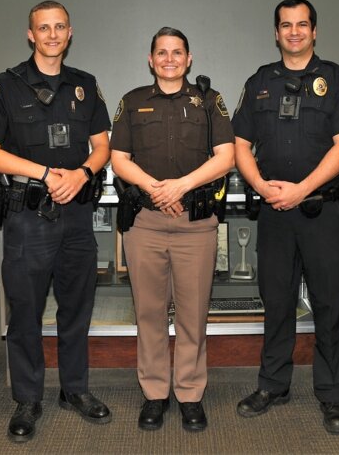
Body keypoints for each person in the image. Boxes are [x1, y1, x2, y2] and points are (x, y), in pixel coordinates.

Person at [0, 1, 112, 443]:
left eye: (59, 27)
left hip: (77, 215)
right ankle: (28, 399)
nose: (52, 34)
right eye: (43, 28)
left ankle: (75, 390)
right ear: (30, 34)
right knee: (26, 311)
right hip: (27, 216)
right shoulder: (5, 86)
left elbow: (102, 146)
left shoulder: (85, 85)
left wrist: (83, 174)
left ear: (70, 33)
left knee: (76, 308)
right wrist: (48, 175)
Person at [232, 0, 339, 434]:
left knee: (328, 304)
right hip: (274, 212)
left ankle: (332, 394)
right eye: (286, 25)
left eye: (302, 24)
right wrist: (261, 187)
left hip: (321, 210)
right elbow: (240, 146)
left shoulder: (338, 80)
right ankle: (273, 384)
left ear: (315, 31)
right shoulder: (259, 83)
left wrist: (302, 190)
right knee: (277, 302)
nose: (294, 31)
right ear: (276, 33)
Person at [110, 27, 234, 432]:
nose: (169, 59)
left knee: (193, 315)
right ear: (150, 59)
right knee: (148, 313)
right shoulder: (131, 102)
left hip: (195, 224)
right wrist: (155, 189)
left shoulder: (209, 101)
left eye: (176, 52)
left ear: (189, 58)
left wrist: (182, 186)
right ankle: (155, 393)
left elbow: (226, 157)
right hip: (145, 222)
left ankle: (190, 393)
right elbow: (119, 160)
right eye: (161, 53)